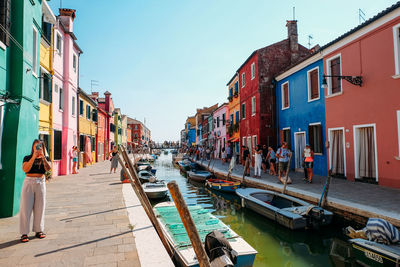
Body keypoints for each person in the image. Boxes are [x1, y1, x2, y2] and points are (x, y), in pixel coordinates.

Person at [20, 140, 51, 243]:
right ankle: (24, 233)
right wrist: (34, 157)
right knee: (25, 208)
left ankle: (39, 230)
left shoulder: (45, 158)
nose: (38, 148)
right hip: (29, 182)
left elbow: (48, 169)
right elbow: (25, 169)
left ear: (43, 147)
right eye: (36, 146)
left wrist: (43, 158)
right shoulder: (27, 158)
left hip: (40, 182)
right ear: (33, 147)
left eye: (40, 146)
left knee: (40, 207)